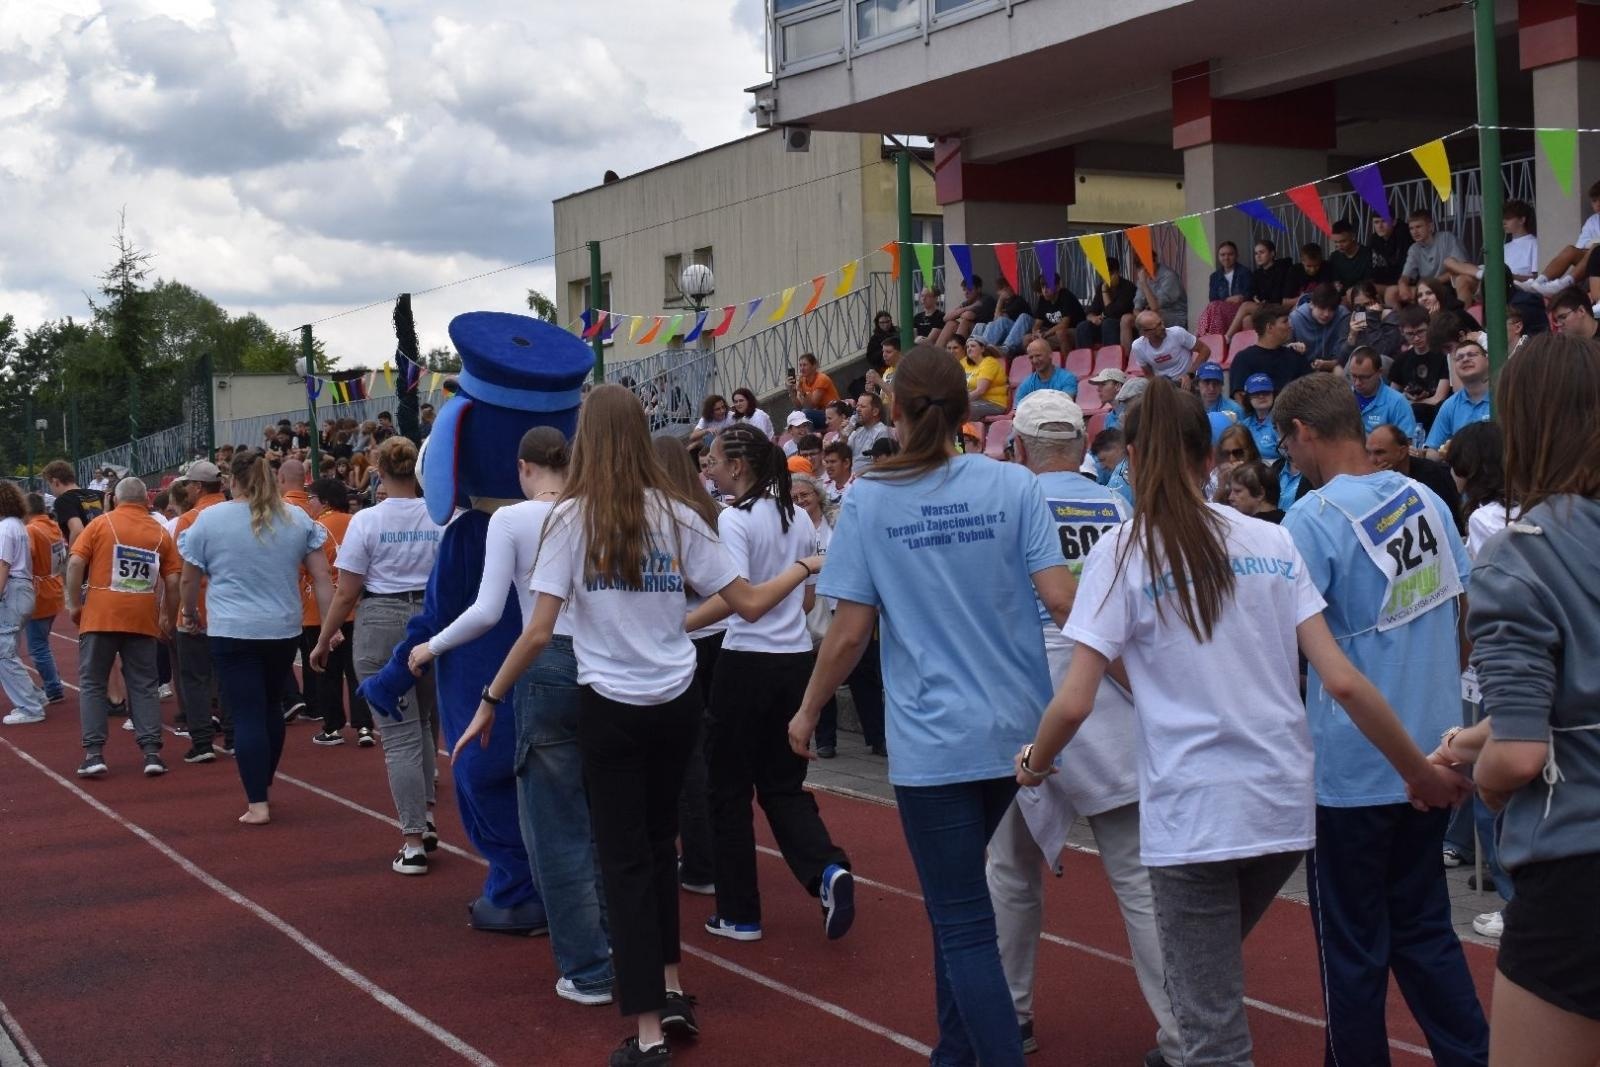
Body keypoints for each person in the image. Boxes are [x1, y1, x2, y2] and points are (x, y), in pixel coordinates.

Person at [1018, 378, 1466, 1067]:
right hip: (1283, 807)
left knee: (1214, 1033)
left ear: (1132, 458)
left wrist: (1038, 763)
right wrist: (1420, 771)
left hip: (1195, 813)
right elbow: (1341, 678)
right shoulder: (1271, 539)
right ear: (1212, 459)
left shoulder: (1122, 551)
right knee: (1210, 979)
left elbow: (1075, 700)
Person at [457, 384, 820, 1067]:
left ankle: (649, 1031)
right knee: (658, 849)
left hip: (611, 708)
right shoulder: (679, 514)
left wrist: (490, 696)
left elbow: (538, 633)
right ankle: (674, 987)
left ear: (586, 438)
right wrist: (804, 565)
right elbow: (743, 601)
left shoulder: (569, 519)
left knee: (624, 860)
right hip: (675, 701)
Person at [789, 344, 1076, 1066]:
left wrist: (807, 709)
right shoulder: (1014, 486)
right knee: (962, 914)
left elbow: (850, 629)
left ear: (895, 408)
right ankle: (955, 1051)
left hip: (935, 741)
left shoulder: (873, 500)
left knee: (961, 922)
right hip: (1015, 731)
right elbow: (1063, 600)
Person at [1274, 373, 1490, 1066]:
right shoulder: (1424, 495)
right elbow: (1461, 611)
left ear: (1304, 432)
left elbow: (1293, 649)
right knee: (1425, 927)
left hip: (1358, 767)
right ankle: (1473, 1054)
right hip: (1434, 751)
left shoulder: (1310, 518)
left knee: (1353, 945)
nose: (1289, 459)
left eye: (1287, 443)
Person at [988, 390, 1182, 1064]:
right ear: (1081, 442)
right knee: (1137, 872)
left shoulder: (1011, 501)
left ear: (1019, 447)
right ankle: (1186, 1027)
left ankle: (1008, 1014)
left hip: (1026, 691)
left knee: (1009, 867)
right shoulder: (1119, 505)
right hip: (1112, 685)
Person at [1425, 335, 1600, 1067]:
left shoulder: (1520, 550)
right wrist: (1486, 735)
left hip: (1577, 872)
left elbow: (1522, 757)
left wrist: (1483, 777)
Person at [408, 426, 613, 1003]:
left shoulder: (512, 521)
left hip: (548, 668)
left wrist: (429, 647)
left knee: (556, 829)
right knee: (605, 816)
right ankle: (621, 940)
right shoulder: (599, 512)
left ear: (523, 467)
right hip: (610, 669)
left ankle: (588, 970)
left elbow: (485, 609)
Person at [686, 422, 854, 946]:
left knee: (728, 790)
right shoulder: (794, 517)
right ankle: (826, 868)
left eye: (712, 460)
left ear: (737, 467)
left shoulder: (735, 520)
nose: (708, 469)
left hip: (745, 664)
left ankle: (739, 913)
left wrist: (676, 624)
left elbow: (742, 597)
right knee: (782, 783)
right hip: (793, 660)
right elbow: (801, 599)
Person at [309, 438, 443, 871]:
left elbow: (347, 591)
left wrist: (324, 637)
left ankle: (413, 841)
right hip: (432, 617)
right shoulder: (439, 515)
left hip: (382, 617)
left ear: (378, 471)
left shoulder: (367, 521)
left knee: (400, 733)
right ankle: (424, 815)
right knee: (421, 722)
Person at [180, 452, 333, 820]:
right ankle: (262, 778)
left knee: (247, 711)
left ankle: (257, 800)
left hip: (232, 629)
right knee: (269, 707)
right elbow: (322, 577)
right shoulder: (296, 518)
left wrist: (188, 611)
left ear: (233, 480)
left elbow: (188, 578)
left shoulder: (209, 519)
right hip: (281, 628)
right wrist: (328, 630)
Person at [66, 477, 180, 778]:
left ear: (115, 499)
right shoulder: (159, 531)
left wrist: (73, 603)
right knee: (143, 683)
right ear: (146, 500)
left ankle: (93, 754)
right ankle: (152, 752)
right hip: (142, 616)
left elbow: (76, 564)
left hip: (101, 614)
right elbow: (172, 581)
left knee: (93, 682)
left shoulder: (101, 525)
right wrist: (169, 616)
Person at [304, 478, 375, 747]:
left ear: (324, 501)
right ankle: (365, 726)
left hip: (320, 608)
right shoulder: (357, 522)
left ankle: (333, 726)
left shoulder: (315, 529)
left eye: (311, 498)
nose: (308, 503)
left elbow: (304, 571)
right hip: (357, 603)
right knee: (356, 668)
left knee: (325, 670)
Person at [171, 461, 233, 760]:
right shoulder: (239, 513)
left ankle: (203, 742)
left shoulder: (189, 520)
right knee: (229, 674)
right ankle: (234, 735)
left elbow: (184, 572)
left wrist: (186, 610)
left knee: (194, 677)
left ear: (197, 486)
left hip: (201, 605)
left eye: (188, 484)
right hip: (232, 608)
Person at [276, 458, 323, 724]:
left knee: (281, 649)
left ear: (281, 479)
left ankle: (292, 697)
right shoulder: (315, 508)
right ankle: (314, 702)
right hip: (317, 589)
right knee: (313, 651)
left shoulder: (281, 511)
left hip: (289, 591)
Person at [0, 483, 47, 727]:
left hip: (14, 590)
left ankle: (30, 706)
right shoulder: (17, 526)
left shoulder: (5, 528)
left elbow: (3, 564)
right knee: (9, 649)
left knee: (4, 651)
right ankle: (35, 696)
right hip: (23, 589)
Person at [1366, 424, 1463, 533]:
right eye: (1368, 453)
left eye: (1379, 453)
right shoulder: (1368, 479)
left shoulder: (1434, 476)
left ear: (1402, 452)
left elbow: (1450, 524)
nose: (1372, 460)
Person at [1442, 199, 1539, 305]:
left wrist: (1509, 276)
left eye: (1508, 218)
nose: (1504, 222)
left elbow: (1536, 278)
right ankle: (1484, 276)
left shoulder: (1534, 244)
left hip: (1511, 286)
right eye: (1503, 218)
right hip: (1490, 281)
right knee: (1451, 265)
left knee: (1470, 276)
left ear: (1522, 220)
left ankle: (1486, 274)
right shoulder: (1504, 247)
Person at [1515, 178, 1600, 299]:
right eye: (1594, 201)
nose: (1598, 204)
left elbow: (1591, 245)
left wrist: (1594, 243)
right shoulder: (1593, 220)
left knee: (1595, 249)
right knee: (1571, 249)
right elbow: (1581, 244)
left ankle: (1563, 284)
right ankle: (1538, 283)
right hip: (1594, 261)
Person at [21, 493, 67, 711]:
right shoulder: (52, 526)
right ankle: (53, 683)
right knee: (42, 643)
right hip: (54, 587)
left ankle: (53, 687)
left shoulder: (31, 530)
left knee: (38, 647)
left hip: (39, 593)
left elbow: (25, 555)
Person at [1425, 339, 1492, 458]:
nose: (1465, 359)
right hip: (1461, 472)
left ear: (1487, 360)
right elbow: (1433, 451)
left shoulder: (1505, 397)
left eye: (1472, 355)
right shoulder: (1450, 405)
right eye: (1459, 358)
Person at [1388, 306, 1452, 432]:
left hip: (1436, 415)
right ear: (1402, 332)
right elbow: (1392, 396)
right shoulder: (1402, 360)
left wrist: (1410, 403)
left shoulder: (1443, 356)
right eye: (1410, 334)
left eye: (1421, 332)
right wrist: (1405, 396)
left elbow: (1439, 398)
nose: (1416, 338)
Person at [1227, 305, 1311, 399]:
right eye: (1285, 321)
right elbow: (1239, 397)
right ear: (1270, 327)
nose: (1290, 326)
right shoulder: (1243, 359)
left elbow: (1311, 390)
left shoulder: (1296, 355)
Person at [1398, 212, 1469, 306]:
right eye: (1411, 228)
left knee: (1451, 287)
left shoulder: (1446, 238)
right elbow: (1406, 275)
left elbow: (1462, 268)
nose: (1414, 232)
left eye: (1418, 227)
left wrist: (1432, 283)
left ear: (1430, 227)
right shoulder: (1414, 248)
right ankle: (1397, 319)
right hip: (1425, 287)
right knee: (1392, 292)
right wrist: (1403, 285)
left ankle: (1461, 317)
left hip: (1447, 285)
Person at [1347, 346, 1418, 438]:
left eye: (1364, 377)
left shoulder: (1397, 402)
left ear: (1379, 372)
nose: (1357, 383)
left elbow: (1406, 443)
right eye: (1353, 376)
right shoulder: (1343, 398)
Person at [1129, 310, 1209, 385]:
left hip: (1187, 381)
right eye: (1156, 327)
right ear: (1144, 333)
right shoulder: (1138, 347)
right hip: (1164, 385)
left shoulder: (1177, 333)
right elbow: (1148, 374)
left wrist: (1190, 374)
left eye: (1161, 323)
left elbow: (1205, 350)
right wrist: (1158, 388)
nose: (1163, 327)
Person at [1075, 258, 1139, 350]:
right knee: (1083, 326)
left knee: (1109, 323)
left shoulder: (1128, 288)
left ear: (1116, 273)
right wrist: (1093, 318)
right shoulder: (1100, 287)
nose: (1104, 278)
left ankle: (1111, 358)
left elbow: (1113, 314)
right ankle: (1085, 359)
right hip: (1106, 325)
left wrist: (1105, 291)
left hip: (1122, 325)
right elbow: (1091, 311)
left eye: (1108, 274)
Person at [42, 459, 104, 547]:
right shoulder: (99, 494)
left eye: (49, 484)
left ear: (56, 482)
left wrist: (72, 557)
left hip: (87, 555)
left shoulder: (63, 500)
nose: (50, 489)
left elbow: (77, 530)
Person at [1198, 240, 1253, 336]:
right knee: (1213, 307)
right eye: (1222, 255)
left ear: (1236, 255)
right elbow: (1212, 298)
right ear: (1219, 257)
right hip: (1219, 310)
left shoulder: (1245, 272)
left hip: (1238, 310)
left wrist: (1240, 298)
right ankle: (1210, 338)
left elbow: (1249, 294)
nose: (1226, 258)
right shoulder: (1215, 276)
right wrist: (1228, 299)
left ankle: (1212, 339)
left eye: (1230, 254)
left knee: (1214, 309)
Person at [1291, 284, 1352, 369]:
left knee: (1339, 371)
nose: (1326, 314)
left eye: (1331, 309)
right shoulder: (1295, 319)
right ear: (1312, 304)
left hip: (1333, 366)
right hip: (1302, 370)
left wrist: (1327, 364)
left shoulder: (1343, 316)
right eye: (1322, 308)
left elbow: (1343, 356)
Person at [934, 274, 997, 350]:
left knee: (965, 322)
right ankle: (937, 353)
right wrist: (968, 307)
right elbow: (945, 318)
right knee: (951, 323)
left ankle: (956, 354)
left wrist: (960, 311)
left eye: (970, 289)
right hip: (971, 334)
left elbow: (968, 315)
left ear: (979, 289)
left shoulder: (986, 299)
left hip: (984, 333)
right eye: (964, 289)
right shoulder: (968, 302)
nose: (966, 292)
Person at [1013, 336, 1079, 404]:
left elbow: (1065, 404)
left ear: (1050, 354)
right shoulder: (1026, 383)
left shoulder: (1067, 378)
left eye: (1038, 356)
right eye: (1031, 357)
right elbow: (1019, 408)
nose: (1035, 361)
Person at [1132, 250, 1187, 329]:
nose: (1146, 268)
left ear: (1155, 260)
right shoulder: (1143, 277)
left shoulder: (1168, 276)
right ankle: (1138, 341)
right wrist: (1138, 313)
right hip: (1152, 313)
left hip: (1175, 314)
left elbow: (1155, 307)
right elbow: (1138, 304)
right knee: (1126, 319)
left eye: (1151, 262)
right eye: (1142, 265)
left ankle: (1151, 341)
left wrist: (1144, 284)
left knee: (1150, 319)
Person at [978, 280, 1035, 356]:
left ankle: (1006, 349)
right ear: (998, 292)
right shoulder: (1004, 304)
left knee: (1004, 320)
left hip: (1024, 330)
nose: (1006, 290)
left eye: (1007, 287)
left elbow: (999, 319)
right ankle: (981, 346)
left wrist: (1000, 299)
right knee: (982, 325)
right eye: (1002, 289)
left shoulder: (1018, 300)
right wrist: (1001, 300)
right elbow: (995, 320)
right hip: (1010, 332)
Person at [1031, 274, 1085, 352]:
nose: (1045, 290)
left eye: (1048, 287)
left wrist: (1045, 334)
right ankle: (1042, 363)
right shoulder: (1043, 299)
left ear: (1057, 287)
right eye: (1042, 287)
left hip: (1074, 331)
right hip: (1052, 333)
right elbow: (1038, 322)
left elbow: (1064, 324)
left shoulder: (1066, 296)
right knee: (1027, 339)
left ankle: (1067, 363)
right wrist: (1035, 333)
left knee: (1060, 333)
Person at [961, 338, 1011, 419]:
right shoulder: (966, 363)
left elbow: (981, 390)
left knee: (961, 410)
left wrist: (961, 401)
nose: (969, 349)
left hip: (994, 403)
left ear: (982, 349)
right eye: (967, 347)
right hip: (976, 401)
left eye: (973, 346)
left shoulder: (989, 362)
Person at [787, 353, 839, 423]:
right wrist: (791, 391)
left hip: (833, 413)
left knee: (805, 414)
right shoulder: (802, 380)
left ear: (814, 366)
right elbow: (799, 406)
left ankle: (808, 433)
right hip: (819, 412)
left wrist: (801, 391)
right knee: (794, 414)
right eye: (800, 365)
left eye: (805, 365)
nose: (802, 368)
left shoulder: (822, 379)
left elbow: (811, 405)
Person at [846, 392, 893, 471]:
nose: (857, 409)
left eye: (862, 406)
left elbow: (880, 464)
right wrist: (844, 437)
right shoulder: (858, 431)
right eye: (857, 406)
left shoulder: (882, 432)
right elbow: (845, 456)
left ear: (875, 412)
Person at [1240, 374, 1280, 461]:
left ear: (1273, 394)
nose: (1261, 396)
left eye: (1265, 392)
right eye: (1256, 393)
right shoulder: (1244, 425)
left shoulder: (1281, 423)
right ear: (1248, 398)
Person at [1327, 219, 1375, 291]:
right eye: (1336, 242)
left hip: (1362, 293)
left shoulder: (1367, 254)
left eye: (1343, 241)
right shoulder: (1334, 257)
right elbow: (1334, 280)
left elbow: (1369, 281)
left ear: (1353, 236)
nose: (1339, 245)